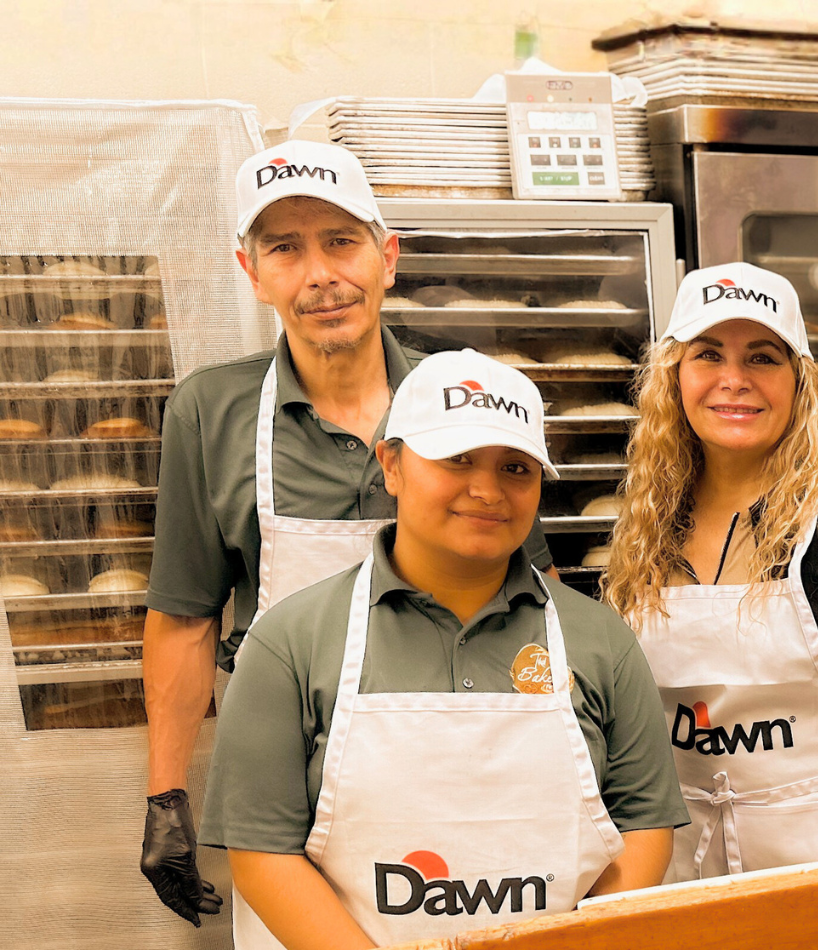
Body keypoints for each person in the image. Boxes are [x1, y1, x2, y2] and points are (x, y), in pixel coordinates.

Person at [140, 141, 555, 925]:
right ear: (251, 272)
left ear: (386, 257)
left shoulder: (463, 393)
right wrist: (166, 795)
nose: (320, 274)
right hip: (288, 799)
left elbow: (537, 598)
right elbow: (185, 617)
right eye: (285, 249)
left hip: (472, 767)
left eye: (341, 241)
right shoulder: (210, 411)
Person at [200, 350, 684, 949]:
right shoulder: (290, 643)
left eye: (515, 468)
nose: (487, 490)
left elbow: (645, 827)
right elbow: (262, 853)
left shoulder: (600, 641)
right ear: (392, 466)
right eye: (457, 459)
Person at [601, 263, 818, 880]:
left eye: (762, 358)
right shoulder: (648, 517)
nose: (733, 381)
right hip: (686, 870)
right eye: (708, 355)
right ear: (674, 377)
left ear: (800, 380)